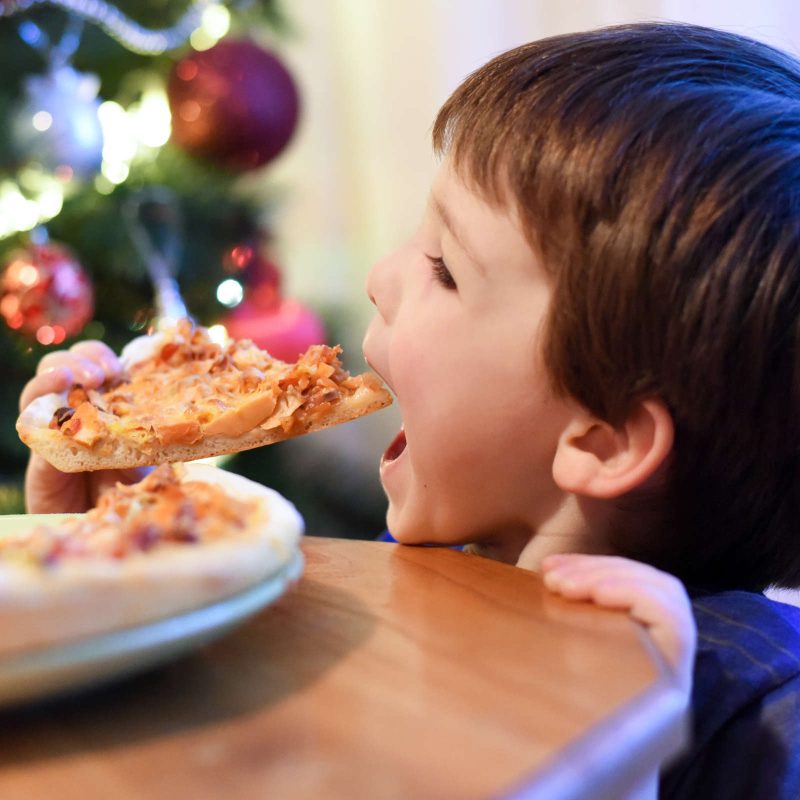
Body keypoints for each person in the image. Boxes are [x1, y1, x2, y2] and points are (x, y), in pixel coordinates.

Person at [18, 20, 800, 798]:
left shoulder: (762, 721)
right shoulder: (438, 563)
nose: (382, 275)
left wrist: (621, 769)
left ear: (600, 442)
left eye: (445, 268)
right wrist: (115, 546)